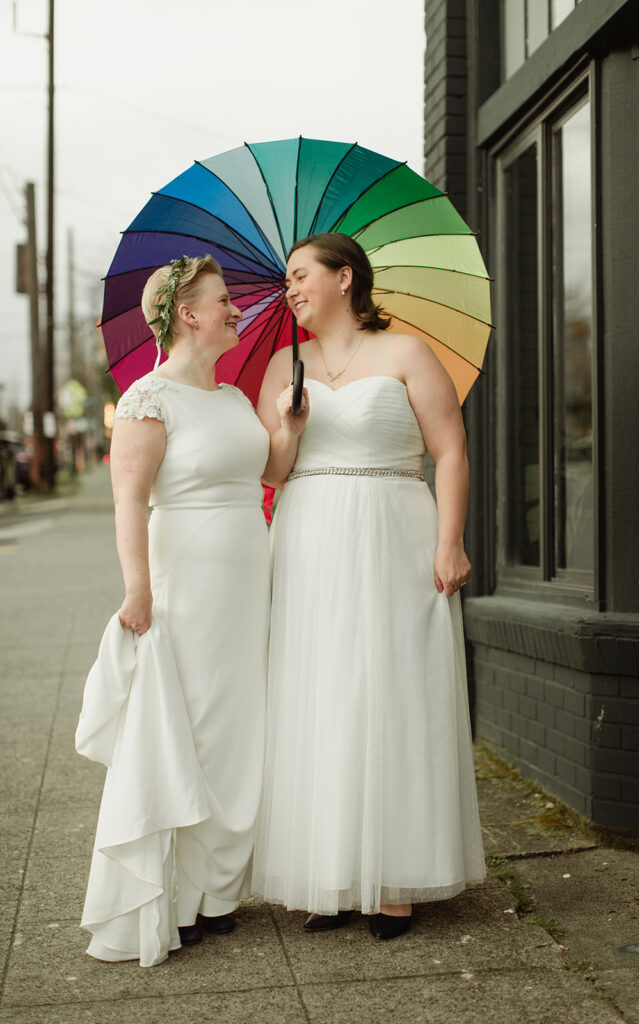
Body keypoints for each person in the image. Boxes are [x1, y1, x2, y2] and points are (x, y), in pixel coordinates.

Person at [252, 233, 486, 940]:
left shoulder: (407, 354)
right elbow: (272, 472)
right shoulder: (278, 368)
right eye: (286, 280)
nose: (289, 289)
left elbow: (448, 452)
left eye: (299, 276)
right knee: (319, 692)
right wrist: (289, 428)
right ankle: (330, 872)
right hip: (309, 534)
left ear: (344, 277)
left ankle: (394, 877)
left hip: (393, 529)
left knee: (391, 688)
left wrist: (448, 542)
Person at [80, 255, 283, 965]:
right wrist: (138, 590)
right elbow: (128, 499)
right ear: (187, 313)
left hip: (245, 579)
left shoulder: (234, 399)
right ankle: (172, 895)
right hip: (184, 579)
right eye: (224, 300)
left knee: (237, 726)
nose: (236, 310)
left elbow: (270, 473)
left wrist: (288, 423)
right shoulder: (146, 398)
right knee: (187, 725)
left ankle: (216, 891)